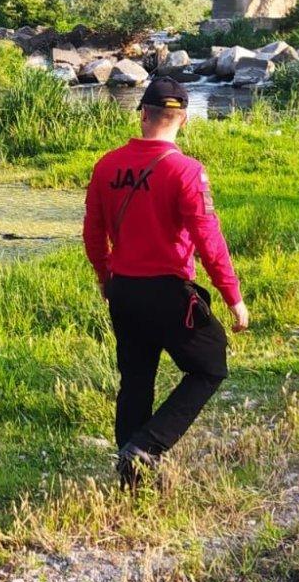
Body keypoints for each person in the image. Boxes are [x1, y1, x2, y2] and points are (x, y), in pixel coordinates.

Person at [82, 77, 249, 490]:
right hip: (169, 292)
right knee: (210, 367)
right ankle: (147, 446)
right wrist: (234, 298)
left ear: (143, 114)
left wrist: (106, 277)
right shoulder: (187, 171)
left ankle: (131, 478)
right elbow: (209, 241)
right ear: (184, 120)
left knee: (136, 379)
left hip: (124, 290)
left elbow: (93, 232)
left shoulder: (107, 165)